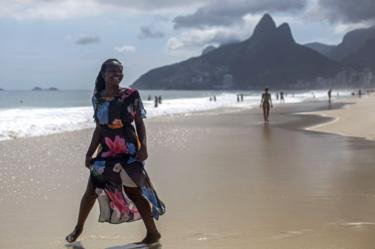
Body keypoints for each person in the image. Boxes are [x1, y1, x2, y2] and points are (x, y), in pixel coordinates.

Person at [65, 59, 165, 245]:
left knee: (134, 192)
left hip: (129, 152)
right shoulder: (98, 98)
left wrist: (144, 146)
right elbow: (99, 128)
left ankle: (153, 232)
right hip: (106, 153)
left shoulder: (131, 95)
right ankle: (78, 228)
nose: (116, 75)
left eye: (119, 72)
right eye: (112, 71)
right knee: (91, 191)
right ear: (103, 74)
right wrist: (89, 153)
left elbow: (139, 123)